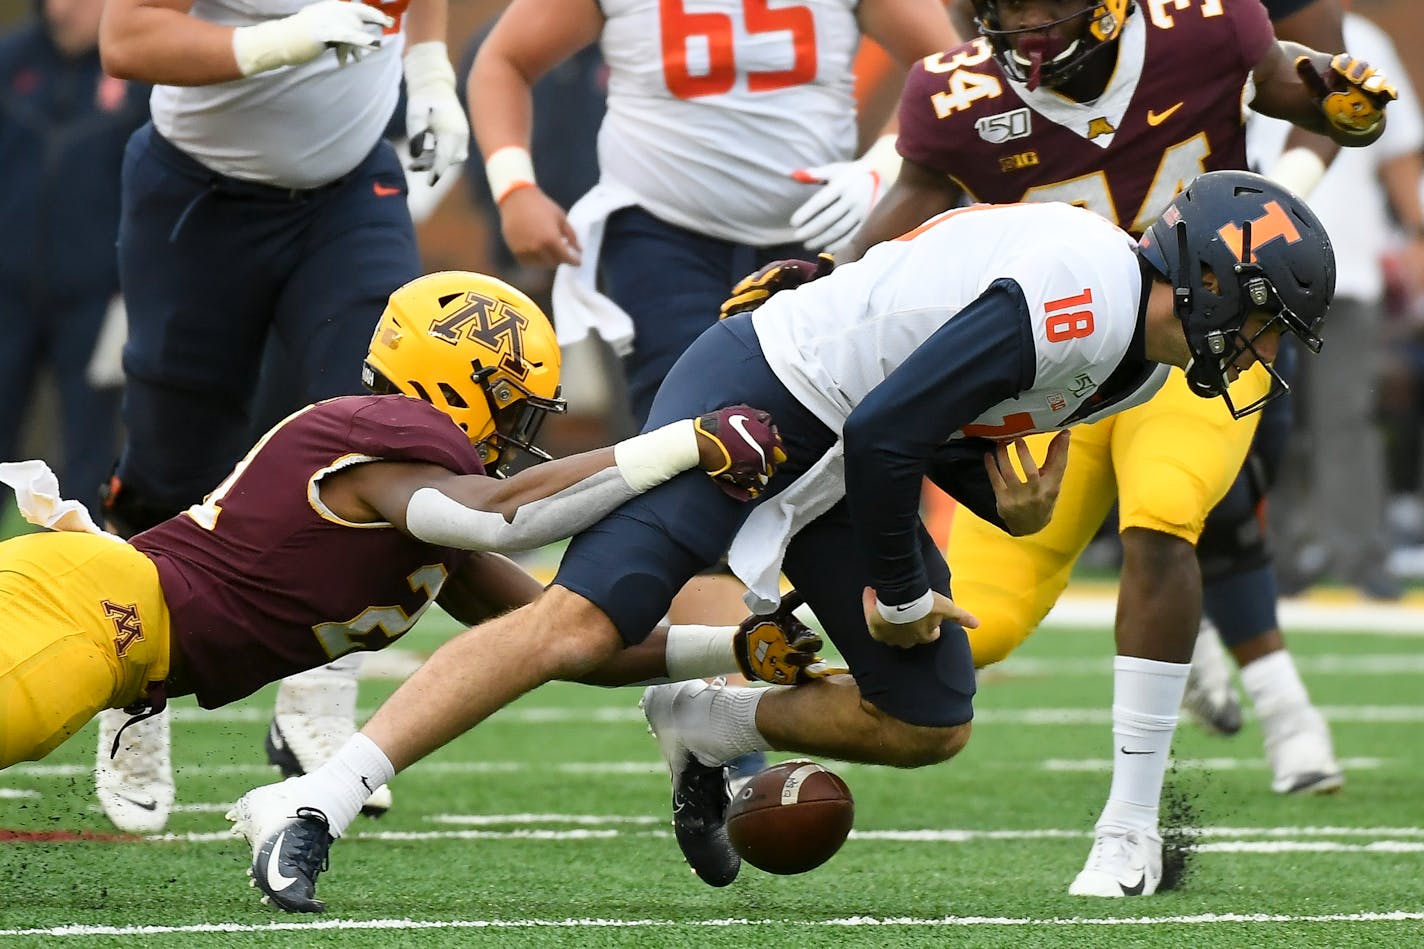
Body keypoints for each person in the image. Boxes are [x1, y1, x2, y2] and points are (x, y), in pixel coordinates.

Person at [227, 169, 1336, 913]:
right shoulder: (1088, 297)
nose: (1247, 345)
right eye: (1249, 315)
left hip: (851, 440)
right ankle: (319, 798)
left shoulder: (1129, 355)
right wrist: (899, 592)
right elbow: (889, 421)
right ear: (1199, 276)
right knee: (580, 626)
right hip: (762, 400)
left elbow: (922, 407)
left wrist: (1002, 504)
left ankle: (704, 731)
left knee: (928, 718)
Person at [805, 0, 1395, 898]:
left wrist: (1348, 104)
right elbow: (889, 233)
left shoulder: (1207, 28)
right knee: (983, 627)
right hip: (1054, 380)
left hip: (1197, 348)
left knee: (1162, 513)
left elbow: (1318, 97)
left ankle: (1129, 829)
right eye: (1006, 7)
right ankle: (718, 705)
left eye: (1044, 5)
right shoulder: (955, 92)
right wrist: (810, 295)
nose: (1025, 27)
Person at [0, 270, 789, 775]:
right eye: (511, 406)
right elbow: (501, 516)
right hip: (96, 610)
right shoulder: (389, 443)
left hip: (112, 627)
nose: (516, 434)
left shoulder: (425, 511)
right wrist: (681, 442)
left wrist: (736, 646)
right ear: (460, 380)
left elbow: (568, 637)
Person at [466, 0, 961, 642]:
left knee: (851, 443)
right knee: (698, 454)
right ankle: (718, 713)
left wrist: (890, 159)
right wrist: (514, 187)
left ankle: (875, 641)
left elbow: (951, 69)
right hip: (661, 232)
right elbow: (503, 60)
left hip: (820, 243)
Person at [90, 0, 471, 831]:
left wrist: (432, 72)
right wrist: (282, 40)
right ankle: (131, 691)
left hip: (350, 187)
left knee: (385, 425)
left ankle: (318, 702)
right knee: (172, 449)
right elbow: (125, 38)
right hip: (201, 190)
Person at [1257, 5, 1423, 599]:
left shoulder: (1369, 37)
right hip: (1258, 269)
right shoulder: (1231, 32)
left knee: (1345, 418)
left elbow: (1397, 149)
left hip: (1345, 268)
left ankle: (1361, 555)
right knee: (1268, 421)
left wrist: (1418, 233)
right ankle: (1276, 555)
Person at [0, 0, 149, 524]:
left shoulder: (138, 77)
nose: (65, 9)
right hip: (8, 294)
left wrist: (134, 289)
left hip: (97, 300)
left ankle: (79, 577)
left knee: (91, 450)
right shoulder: (11, 59)